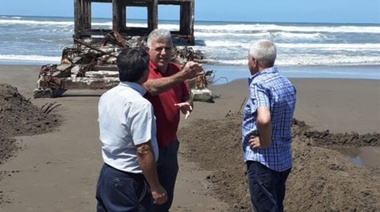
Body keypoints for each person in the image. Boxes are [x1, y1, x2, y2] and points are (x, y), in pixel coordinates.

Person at [96, 47, 168, 211]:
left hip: (108, 172)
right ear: (145, 73)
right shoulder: (140, 105)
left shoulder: (107, 96)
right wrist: (155, 186)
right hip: (129, 178)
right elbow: (143, 149)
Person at [143, 28, 204, 212]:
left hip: (170, 145)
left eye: (168, 49)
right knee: (146, 197)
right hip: (148, 147)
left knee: (166, 197)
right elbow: (151, 88)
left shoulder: (176, 69)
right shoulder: (143, 70)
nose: (163, 53)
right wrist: (182, 76)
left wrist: (188, 103)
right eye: (159, 48)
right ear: (148, 50)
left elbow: (187, 95)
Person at [242, 39, 297, 212]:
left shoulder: (259, 84)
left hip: (263, 160)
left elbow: (263, 119)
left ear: (254, 61)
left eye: (248, 58)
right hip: (283, 158)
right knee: (276, 205)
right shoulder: (286, 83)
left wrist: (264, 142)